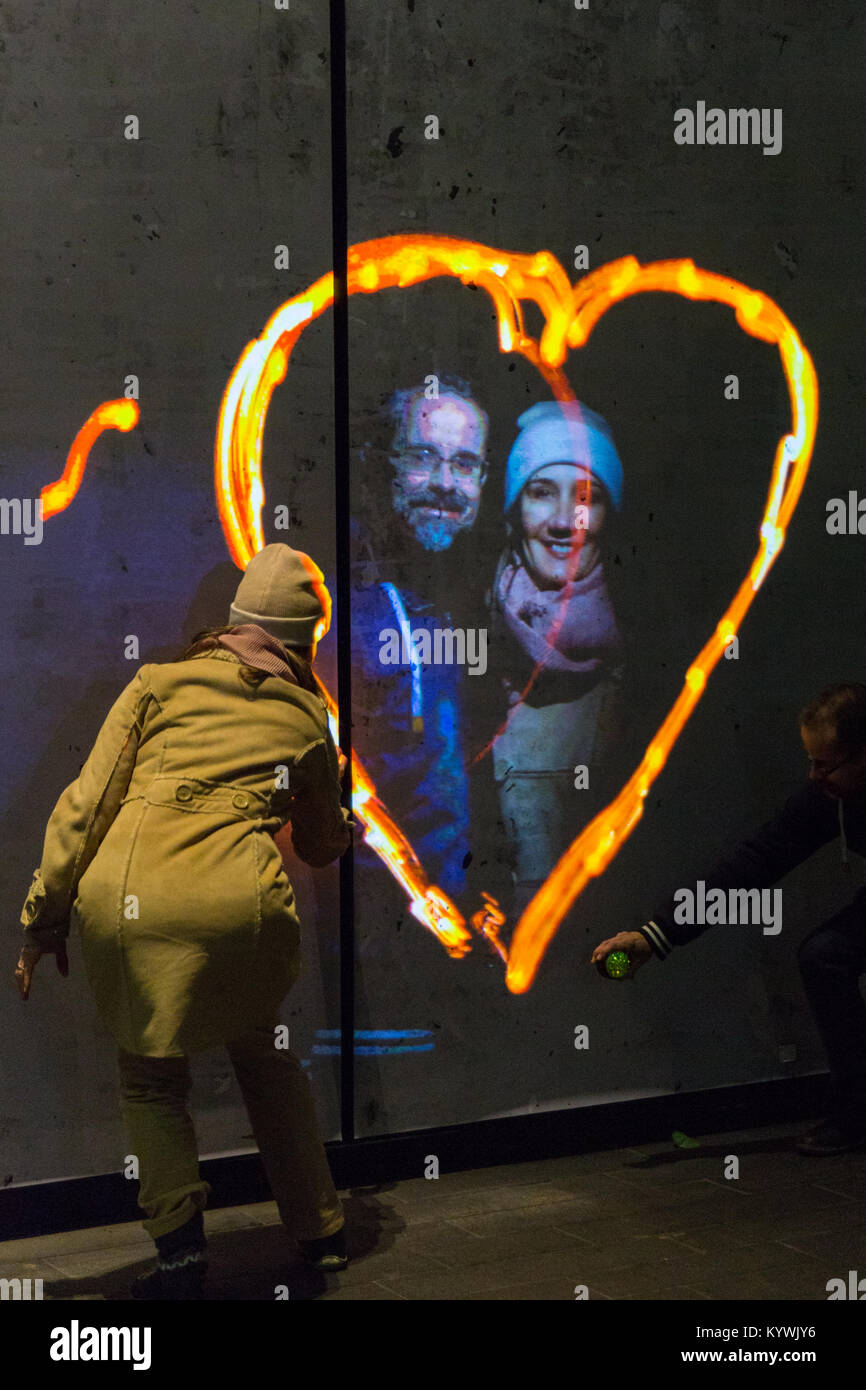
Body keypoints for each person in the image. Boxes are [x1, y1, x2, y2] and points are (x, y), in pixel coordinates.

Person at [15, 543, 354, 1299]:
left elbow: (87, 804)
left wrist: (45, 917)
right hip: (241, 910)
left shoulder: (157, 684)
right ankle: (322, 1231)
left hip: (135, 902)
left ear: (233, 622)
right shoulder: (309, 716)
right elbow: (323, 844)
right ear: (303, 640)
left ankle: (178, 1256)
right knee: (267, 1063)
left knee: (150, 1077)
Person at [591, 682, 866, 1157]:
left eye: (826, 763)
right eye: (811, 761)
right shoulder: (830, 797)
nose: (814, 775)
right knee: (826, 956)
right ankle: (858, 1114)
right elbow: (757, 861)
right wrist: (654, 937)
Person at [317, 374, 491, 904]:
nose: (445, 481)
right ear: (381, 465)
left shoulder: (481, 598)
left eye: (464, 464)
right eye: (422, 457)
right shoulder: (340, 609)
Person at [482, 399, 626, 922]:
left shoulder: (656, 635)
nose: (565, 521)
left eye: (587, 497)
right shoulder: (475, 623)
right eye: (542, 493)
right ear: (514, 508)